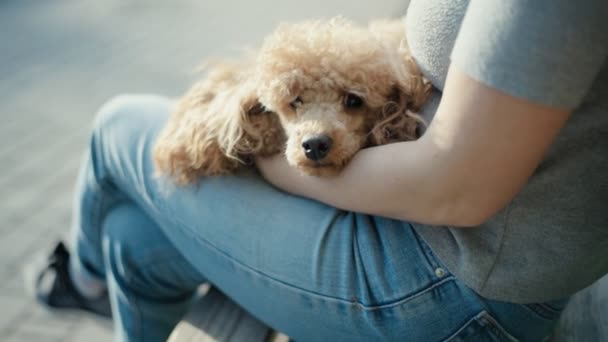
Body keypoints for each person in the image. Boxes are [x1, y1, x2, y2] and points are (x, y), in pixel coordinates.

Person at [29, 0, 607, 341]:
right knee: (133, 238)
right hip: (413, 229)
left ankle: (83, 280)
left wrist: (271, 156)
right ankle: (114, 281)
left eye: (353, 104)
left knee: (116, 125)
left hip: (454, 285)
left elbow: (456, 189)